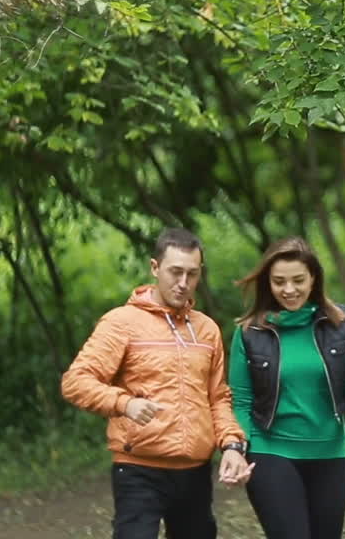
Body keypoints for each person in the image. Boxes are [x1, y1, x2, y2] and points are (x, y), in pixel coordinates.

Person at [61, 227, 254, 539]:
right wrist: (125, 403)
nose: (183, 283)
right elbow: (75, 382)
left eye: (192, 274)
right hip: (138, 469)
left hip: (194, 472)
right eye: (175, 272)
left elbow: (217, 398)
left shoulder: (206, 330)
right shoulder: (121, 322)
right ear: (154, 267)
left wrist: (232, 445)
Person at [229, 236, 345, 539]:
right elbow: (240, 401)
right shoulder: (249, 331)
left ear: (313, 279)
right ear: (268, 282)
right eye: (279, 281)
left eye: (297, 280)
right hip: (270, 450)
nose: (289, 289)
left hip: (329, 452)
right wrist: (238, 449)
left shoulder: (341, 322)